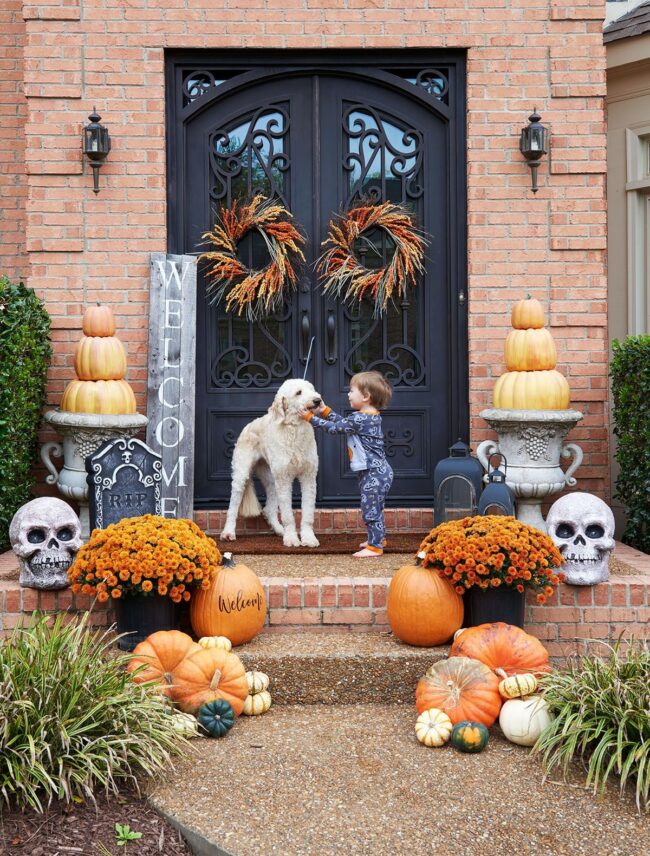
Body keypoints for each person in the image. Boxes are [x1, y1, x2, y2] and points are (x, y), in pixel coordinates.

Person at [301, 371, 393, 557]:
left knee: (370, 510)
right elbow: (345, 423)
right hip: (380, 471)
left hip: (373, 474)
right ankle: (378, 537)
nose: (348, 394)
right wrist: (325, 411)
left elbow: (336, 428)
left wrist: (310, 418)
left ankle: (375, 546)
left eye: (352, 391)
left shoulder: (360, 418)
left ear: (366, 396)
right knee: (377, 507)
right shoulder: (370, 416)